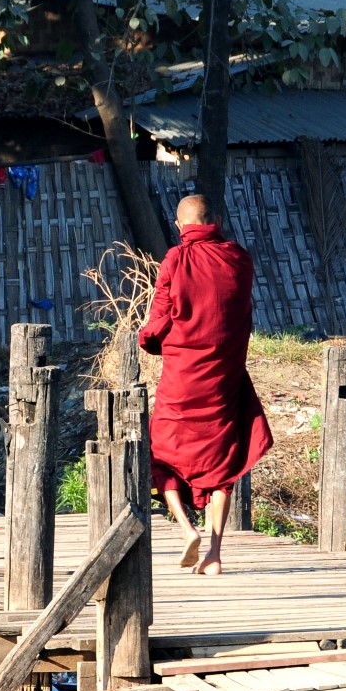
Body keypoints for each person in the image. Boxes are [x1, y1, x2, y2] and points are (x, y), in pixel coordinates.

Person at [137, 195, 273, 575]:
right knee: (222, 461)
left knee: (161, 452)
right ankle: (214, 553)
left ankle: (185, 528)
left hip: (182, 376)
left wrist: (147, 338)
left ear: (181, 227)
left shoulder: (176, 260)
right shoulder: (239, 259)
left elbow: (160, 318)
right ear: (216, 219)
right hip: (223, 378)